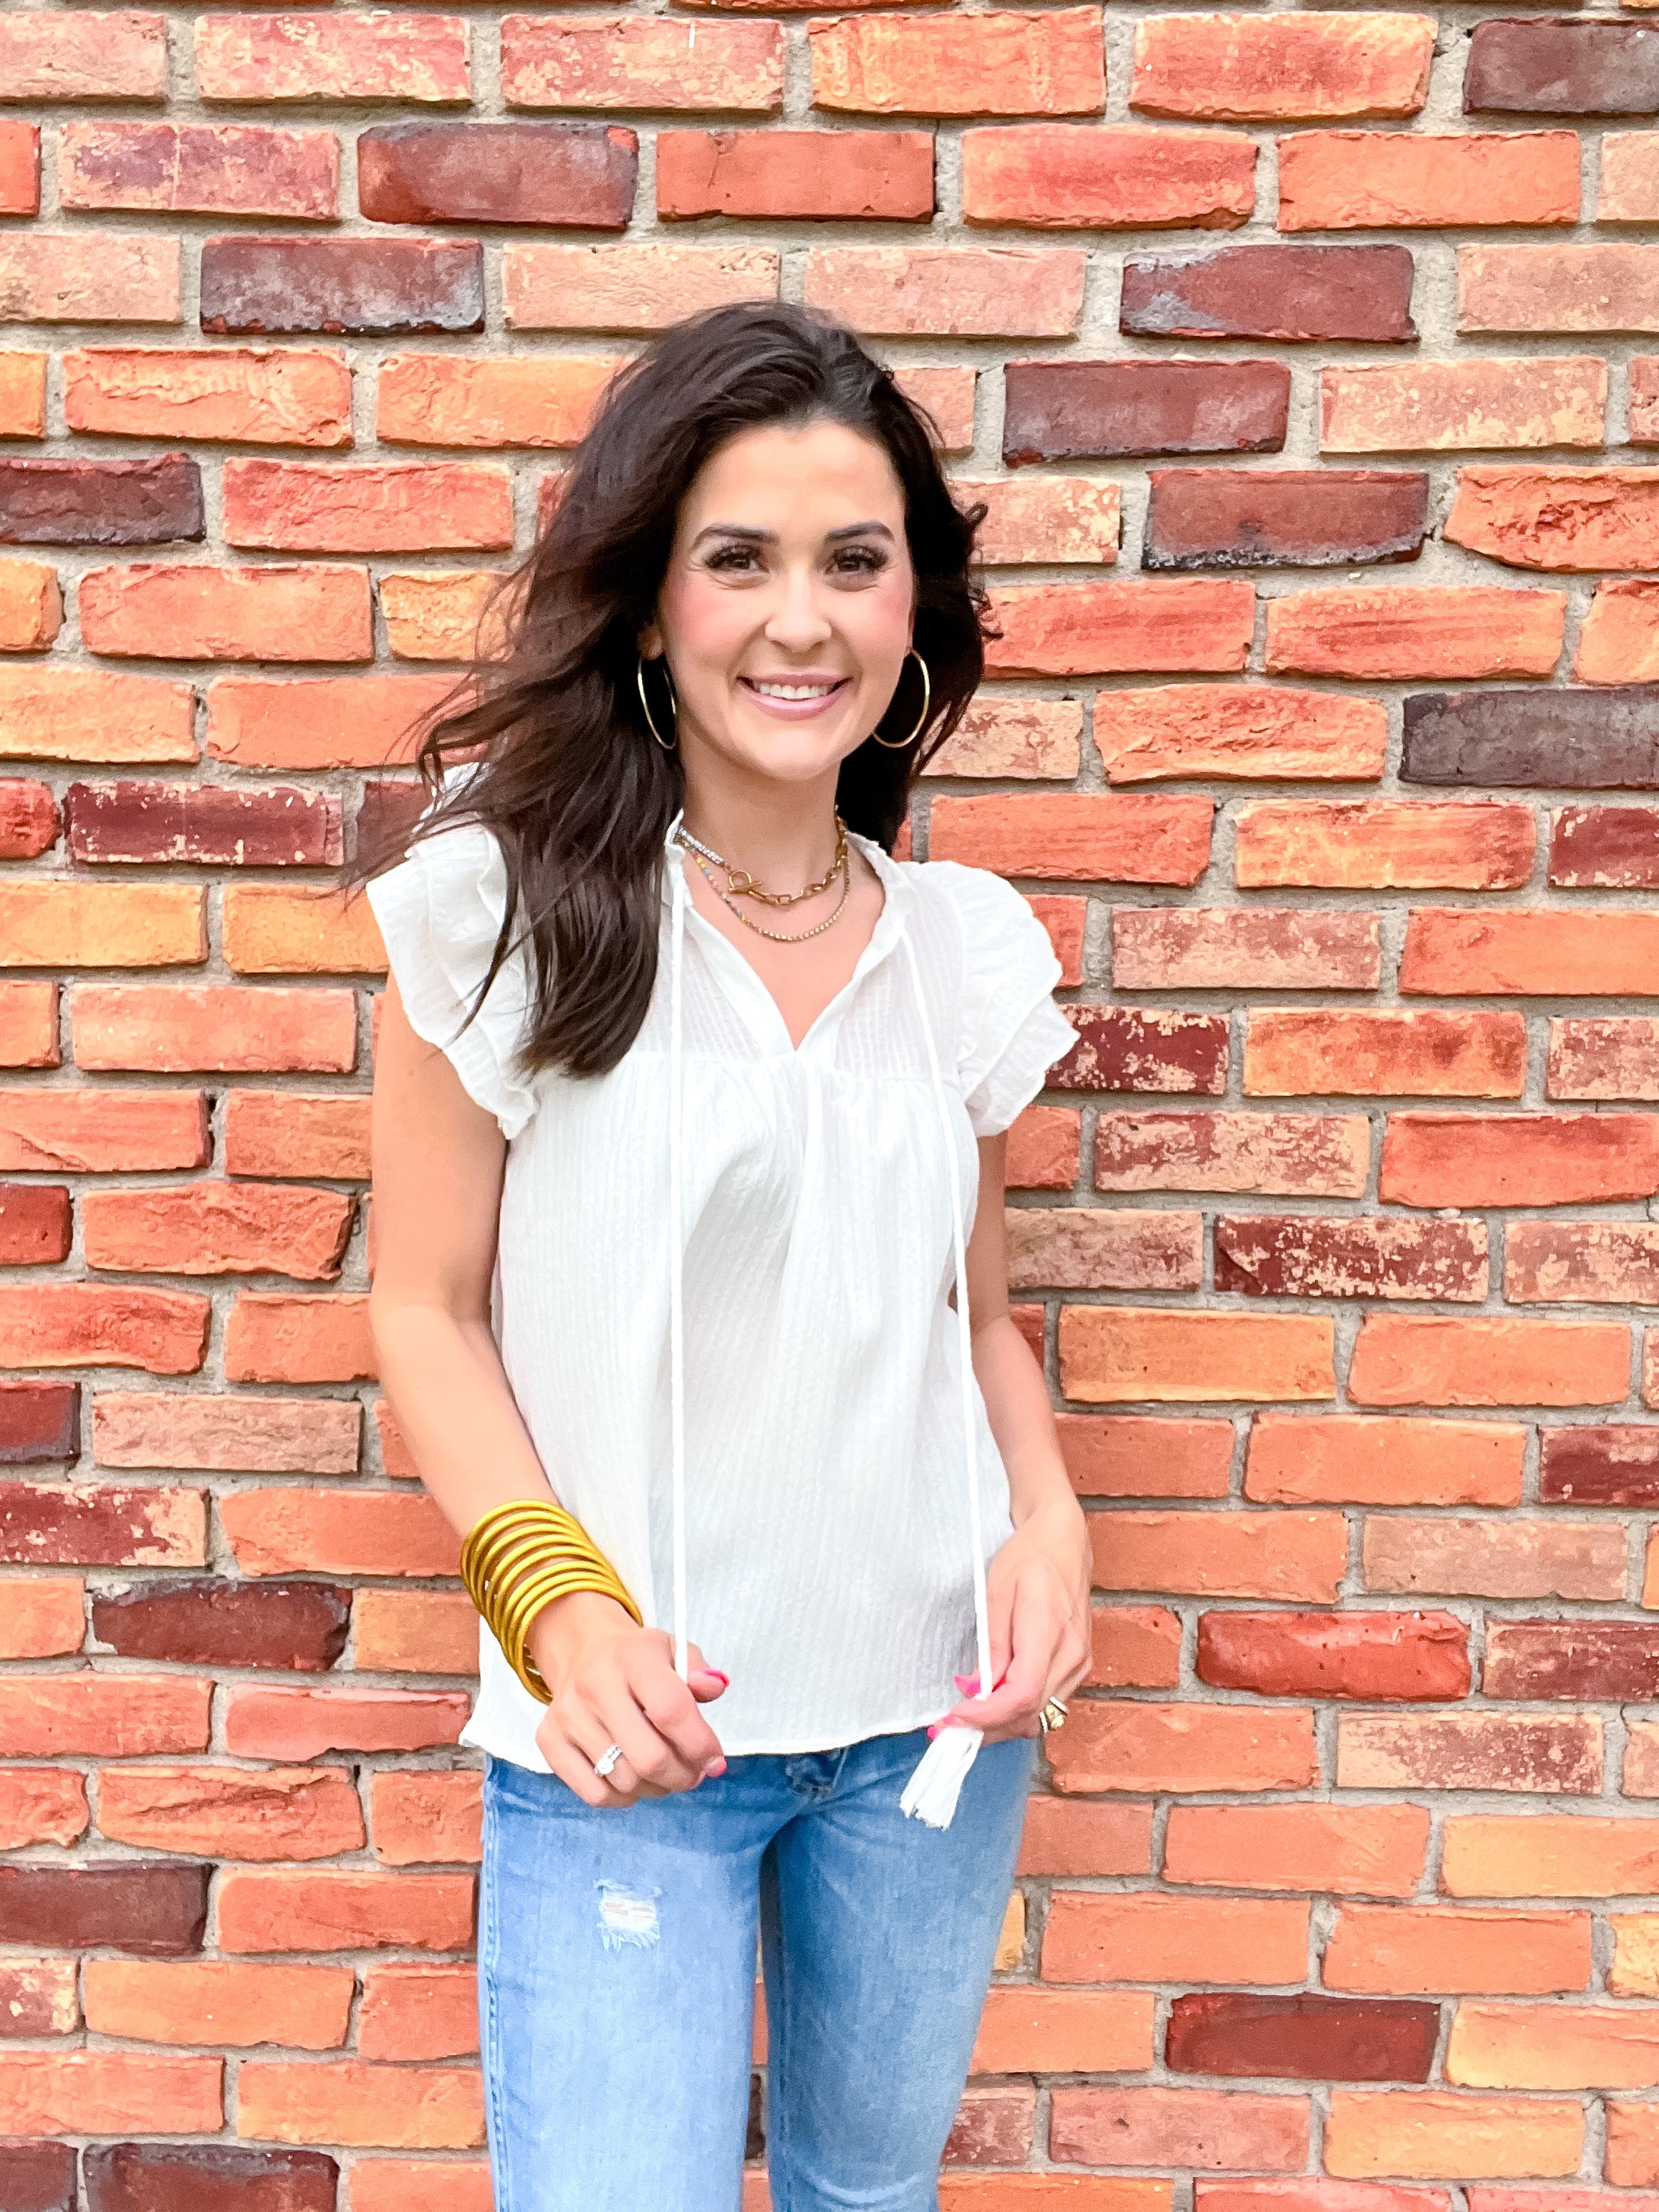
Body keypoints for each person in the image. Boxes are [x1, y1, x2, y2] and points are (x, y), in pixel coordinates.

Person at [362, 299, 1092, 2212]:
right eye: (738, 558)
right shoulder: (503, 913)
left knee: (868, 2195)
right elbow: (423, 1310)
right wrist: (560, 1614)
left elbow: (978, 1319)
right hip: (626, 1733)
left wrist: (1045, 1525)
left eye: (855, 562)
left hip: (930, 1725)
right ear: (647, 605)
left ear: (914, 607)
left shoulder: (962, 952)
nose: (801, 621)